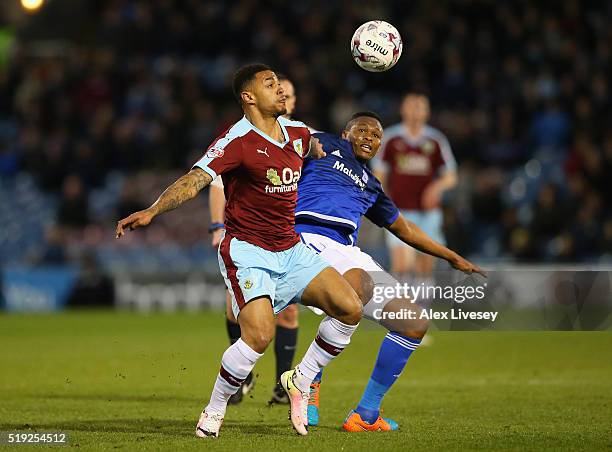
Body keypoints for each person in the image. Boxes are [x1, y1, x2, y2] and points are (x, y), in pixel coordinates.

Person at [115, 63, 363, 438]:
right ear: (248, 97)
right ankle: (214, 409)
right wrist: (153, 210)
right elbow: (195, 179)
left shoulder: (297, 134)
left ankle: (302, 378)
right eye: (270, 84)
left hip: (291, 248)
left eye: (280, 84)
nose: (281, 90)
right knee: (259, 336)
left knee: (350, 308)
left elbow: (314, 149)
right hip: (248, 251)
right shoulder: (236, 140)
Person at [294, 111, 483, 431]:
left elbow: (405, 229)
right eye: (362, 130)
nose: (369, 137)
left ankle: (365, 414)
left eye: (376, 134)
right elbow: (278, 142)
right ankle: (307, 380)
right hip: (306, 238)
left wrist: (451, 256)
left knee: (413, 322)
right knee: (353, 292)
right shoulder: (321, 144)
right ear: (344, 134)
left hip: (346, 250)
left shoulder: (371, 185)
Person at [208, 74, 304, 405]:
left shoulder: (302, 136)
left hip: (286, 240)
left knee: (289, 314)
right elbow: (217, 182)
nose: (283, 96)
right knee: (236, 312)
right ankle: (242, 376)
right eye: (277, 89)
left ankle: (283, 383)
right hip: (245, 239)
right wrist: (216, 225)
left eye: (288, 93)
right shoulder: (242, 137)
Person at [374, 93, 458, 285]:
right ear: (402, 109)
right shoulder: (391, 138)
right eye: (411, 106)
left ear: (427, 112)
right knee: (402, 264)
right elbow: (379, 174)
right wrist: (384, 202)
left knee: (424, 266)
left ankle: (423, 310)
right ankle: (400, 311)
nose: (415, 111)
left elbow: (451, 176)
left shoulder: (435, 140)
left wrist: (436, 187)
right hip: (400, 211)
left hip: (428, 213)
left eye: (420, 107)